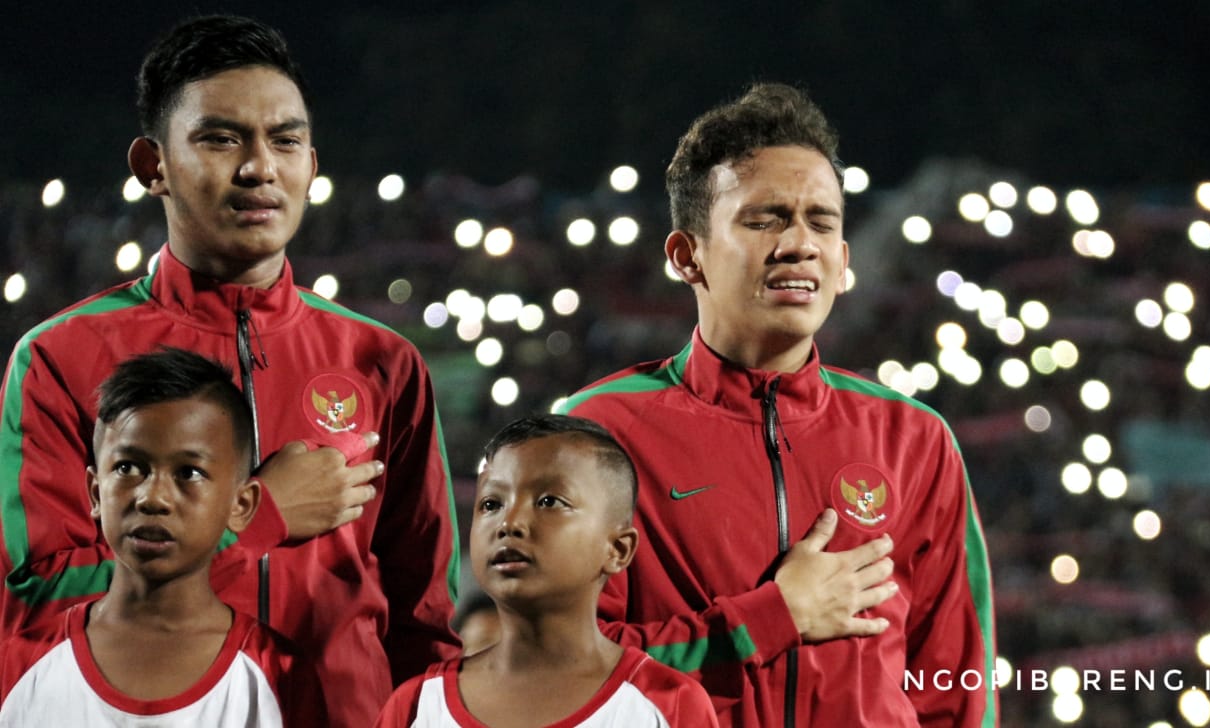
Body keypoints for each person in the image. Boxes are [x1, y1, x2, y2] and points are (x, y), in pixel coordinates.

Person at [0, 15, 459, 727]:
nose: (259, 167)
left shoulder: (383, 362)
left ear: (312, 163)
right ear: (153, 165)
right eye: (220, 138)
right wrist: (260, 518)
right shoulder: (60, 358)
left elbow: (427, 617)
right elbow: (37, 598)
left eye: (285, 140)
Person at [556, 83, 997, 726]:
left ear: (844, 261)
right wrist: (770, 619)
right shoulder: (597, 432)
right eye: (765, 219)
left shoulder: (914, 438)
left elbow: (957, 687)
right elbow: (562, 668)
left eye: (822, 222)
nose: (800, 244)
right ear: (688, 256)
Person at [0, 348, 324, 726]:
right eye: (128, 467)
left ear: (242, 504)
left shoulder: (278, 675)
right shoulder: (19, 667)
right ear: (94, 492)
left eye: (188, 473)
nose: (152, 497)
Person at [375, 415, 718, 727]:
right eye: (492, 504)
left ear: (618, 549)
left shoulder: (667, 705)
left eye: (549, 501)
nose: (509, 523)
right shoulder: (416, 706)